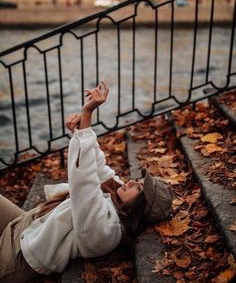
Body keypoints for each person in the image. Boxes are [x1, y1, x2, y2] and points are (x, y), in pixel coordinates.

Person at [0, 79, 173, 283]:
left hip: (19, 257)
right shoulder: (114, 191)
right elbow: (98, 166)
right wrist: (81, 127)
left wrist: (88, 114)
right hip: (26, 223)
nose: (133, 182)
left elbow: (84, 182)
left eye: (139, 188)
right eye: (139, 180)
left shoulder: (106, 230)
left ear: (139, 206)